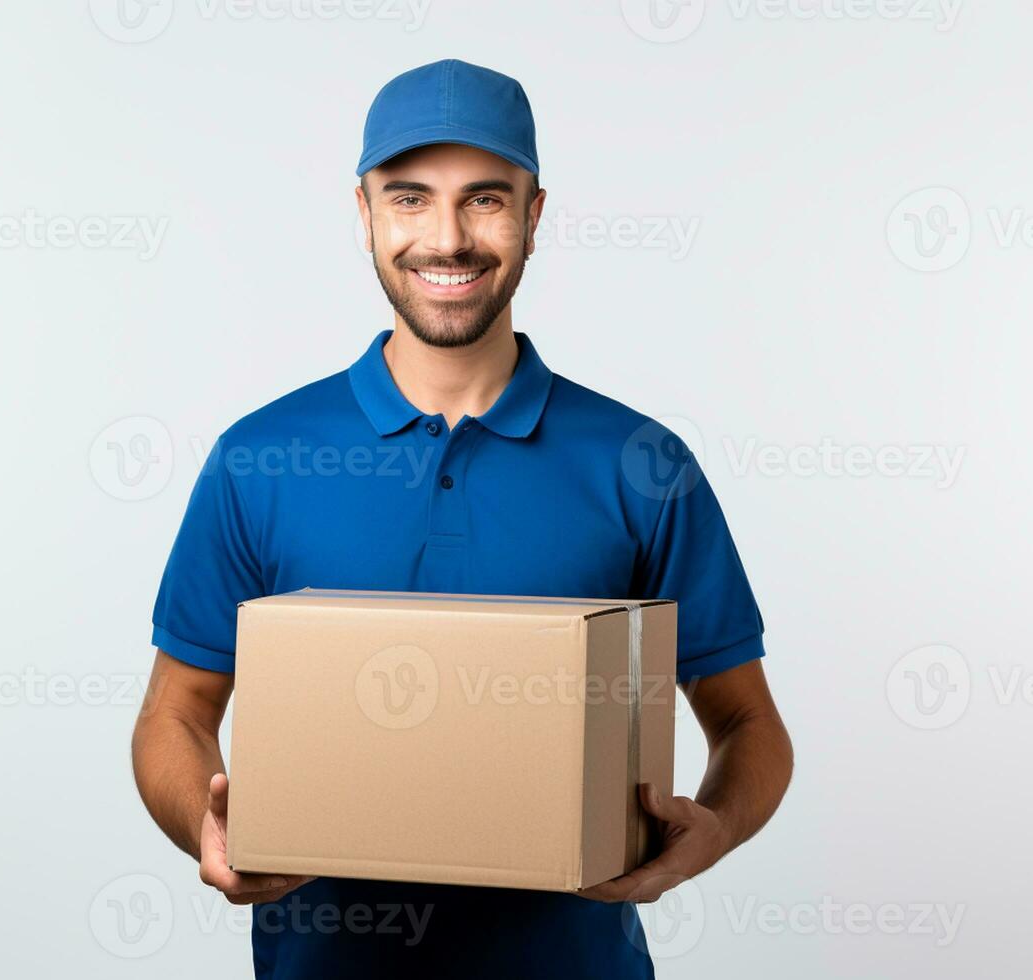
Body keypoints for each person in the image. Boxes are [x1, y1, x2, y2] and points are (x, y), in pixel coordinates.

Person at [132, 58, 793, 979]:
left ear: (534, 214)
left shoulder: (642, 465)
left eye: (484, 199)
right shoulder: (261, 458)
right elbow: (176, 711)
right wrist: (202, 824)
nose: (447, 238)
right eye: (410, 198)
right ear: (363, 214)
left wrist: (711, 833)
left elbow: (751, 726)